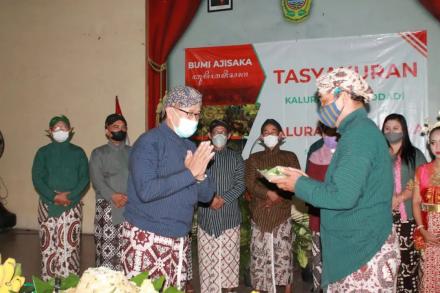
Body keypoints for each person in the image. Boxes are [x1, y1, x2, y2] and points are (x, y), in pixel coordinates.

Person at [272, 68, 400, 292]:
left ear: (342, 94)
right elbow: (344, 188)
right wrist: (305, 181)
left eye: (323, 100)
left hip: (363, 253)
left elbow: (342, 197)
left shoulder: (359, 135)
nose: (321, 108)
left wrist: (298, 185)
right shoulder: (357, 132)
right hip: (360, 246)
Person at [121, 86, 215, 290]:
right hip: (147, 237)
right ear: (170, 111)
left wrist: (199, 176)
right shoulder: (149, 143)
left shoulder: (190, 147)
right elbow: (146, 191)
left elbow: (207, 196)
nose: (195, 119)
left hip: (180, 239)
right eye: (189, 113)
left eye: (197, 114)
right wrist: (189, 174)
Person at [245, 119, 300, 293]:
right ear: (261, 137)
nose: (270, 135)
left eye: (273, 131)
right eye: (266, 132)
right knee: (259, 261)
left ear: (281, 135)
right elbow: (250, 183)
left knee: (284, 260)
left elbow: (297, 182)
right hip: (259, 214)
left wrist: (279, 197)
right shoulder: (254, 158)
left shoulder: (290, 157)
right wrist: (268, 194)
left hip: (282, 215)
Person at [32, 115, 89, 280]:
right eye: (55, 128)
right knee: (48, 247)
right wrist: (53, 196)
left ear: (70, 130)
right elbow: (37, 178)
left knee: (70, 248)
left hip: (72, 205)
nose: (59, 130)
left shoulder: (78, 153)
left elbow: (84, 178)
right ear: (50, 132)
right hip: (47, 205)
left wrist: (70, 196)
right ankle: (49, 285)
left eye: (63, 127)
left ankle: (69, 286)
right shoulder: (42, 153)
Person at [197, 119, 245, 293]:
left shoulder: (236, 158)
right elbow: (194, 181)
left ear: (229, 135)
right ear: (209, 135)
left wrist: (222, 199)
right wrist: (209, 199)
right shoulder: (200, 157)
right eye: (216, 132)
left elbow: (240, 184)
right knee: (207, 266)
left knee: (229, 266)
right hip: (206, 219)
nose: (219, 135)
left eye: (223, 132)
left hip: (229, 220)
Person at [382, 113, 426, 292]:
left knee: (408, 264)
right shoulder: (378, 155)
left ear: (404, 131)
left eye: (395, 128)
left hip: (408, 219)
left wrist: (399, 198)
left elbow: (422, 184)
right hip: (382, 220)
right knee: (386, 265)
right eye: (387, 129)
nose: (391, 132)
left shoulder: (415, 155)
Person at [90, 113, 131, 271]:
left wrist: (128, 197)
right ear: (107, 131)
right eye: (115, 127)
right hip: (107, 208)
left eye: (123, 127)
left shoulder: (133, 152)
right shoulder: (98, 153)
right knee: (107, 255)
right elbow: (97, 180)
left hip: (130, 208)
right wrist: (114, 196)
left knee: (128, 253)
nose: (120, 130)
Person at [305, 122, 338, 292]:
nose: (331, 136)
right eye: (328, 131)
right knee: (319, 261)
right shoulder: (314, 154)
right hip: (318, 217)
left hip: (342, 219)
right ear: (322, 132)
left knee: (338, 261)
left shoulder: (347, 153)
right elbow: (308, 187)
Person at [412, 122, 440, 293]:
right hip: (429, 230)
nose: (438, 146)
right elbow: (415, 202)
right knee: (430, 278)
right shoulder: (422, 170)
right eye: (433, 142)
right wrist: (422, 229)